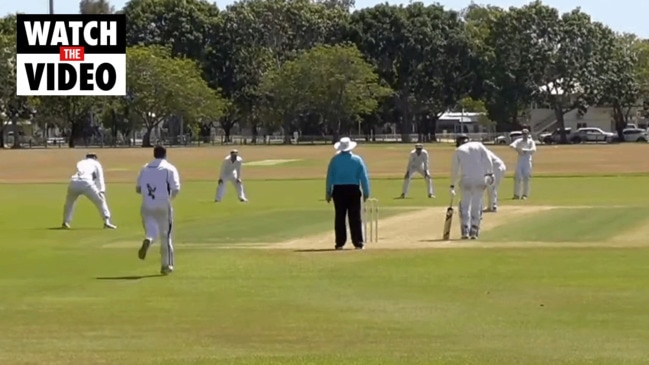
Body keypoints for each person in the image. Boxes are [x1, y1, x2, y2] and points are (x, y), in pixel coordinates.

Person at [136, 146, 181, 276]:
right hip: (163, 204)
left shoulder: (144, 168)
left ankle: (149, 240)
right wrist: (169, 198)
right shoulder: (169, 168)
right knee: (165, 236)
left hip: (146, 205)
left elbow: (138, 189)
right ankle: (166, 265)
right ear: (165, 154)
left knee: (151, 231)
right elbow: (176, 188)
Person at [325, 137, 370, 250]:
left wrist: (328, 192)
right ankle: (358, 242)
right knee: (355, 217)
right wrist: (366, 192)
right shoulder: (357, 160)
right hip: (353, 189)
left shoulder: (334, 160)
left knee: (340, 217)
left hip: (338, 190)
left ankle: (339, 243)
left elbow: (329, 177)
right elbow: (363, 177)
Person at [450, 135, 495, 240]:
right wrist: (490, 173)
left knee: (465, 205)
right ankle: (474, 230)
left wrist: (452, 185)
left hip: (466, 180)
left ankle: (465, 230)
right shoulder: (479, 145)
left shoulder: (458, 150)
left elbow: (455, 170)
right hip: (480, 179)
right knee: (477, 203)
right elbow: (488, 159)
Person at [61, 152, 116, 229]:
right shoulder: (96, 163)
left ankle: (65, 222)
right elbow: (99, 178)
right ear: (94, 157)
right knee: (100, 201)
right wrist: (101, 190)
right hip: (86, 183)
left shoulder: (81, 162)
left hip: (73, 182)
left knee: (69, 203)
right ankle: (107, 221)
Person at [509, 128, 536, 199]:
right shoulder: (519, 141)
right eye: (523, 134)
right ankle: (516, 194)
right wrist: (517, 148)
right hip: (520, 161)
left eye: (526, 134)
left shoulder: (531, 142)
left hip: (527, 161)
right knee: (517, 177)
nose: (524, 135)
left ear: (528, 134)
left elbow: (533, 150)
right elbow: (512, 145)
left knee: (526, 178)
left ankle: (525, 195)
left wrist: (525, 150)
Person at [484, 147, 506, 212]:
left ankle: (493, 206)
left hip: (497, 168)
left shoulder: (483, 152)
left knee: (492, 187)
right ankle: (491, 206)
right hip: (496, 168)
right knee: (490, 187)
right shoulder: (482, 152)